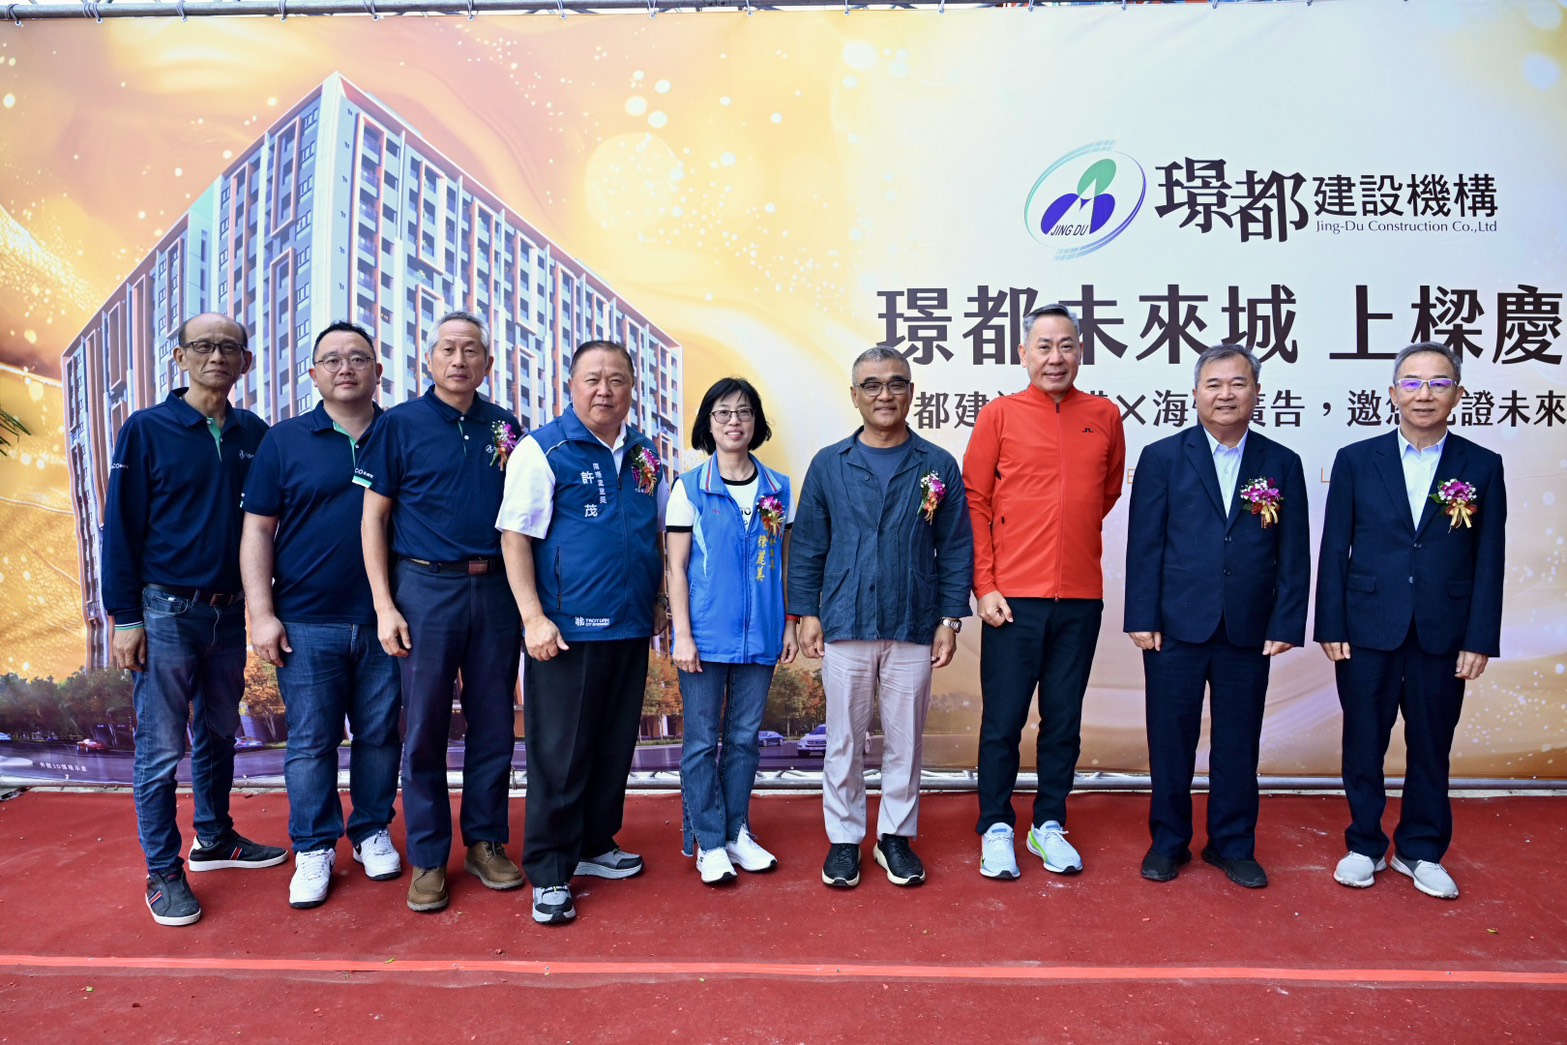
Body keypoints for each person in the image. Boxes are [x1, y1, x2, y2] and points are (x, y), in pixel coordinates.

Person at [102, 312, 286, 927]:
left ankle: (215, 836)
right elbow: (120, 528)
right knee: (160, 749)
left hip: (228, 614)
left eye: (229, 348)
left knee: (218, 734)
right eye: (203, 346)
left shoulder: (255, 434)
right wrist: (125, 617)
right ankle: (162, 872)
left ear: (246, 362)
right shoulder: (146, 428)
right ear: (179, 357)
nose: (217, 356)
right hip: (165, 612)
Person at [1315, 342, 1506, 900]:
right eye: (1413, 382)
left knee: (1431, 744)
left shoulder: (1481, 465)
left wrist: (1479, 638)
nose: (1425, 394)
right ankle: (1364, 844)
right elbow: (1335, 548)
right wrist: (1331, 624)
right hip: (1366, 626)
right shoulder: (1357, 460)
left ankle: (1421, 849)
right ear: (1393, 393)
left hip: (1443, 631)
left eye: (1439, 383)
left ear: (1458, 395)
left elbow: (1489, 558)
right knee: (1364, 739)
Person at [357, 309, 525, 914]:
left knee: (494, 723)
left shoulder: (505, 427)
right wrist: (384, 604)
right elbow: (373, 519)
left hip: (496, 589)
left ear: (487, 362)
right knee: (425, 727)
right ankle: (429, 856)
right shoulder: (398, 425)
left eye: (471, 350)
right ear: (428, 359)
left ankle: (485, 841)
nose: (459, 360)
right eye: (448, 349)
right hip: (425, 589)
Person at [1123, 344, 1309, 889]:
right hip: (1174, 626)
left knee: (1238, 741)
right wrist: (1141, 615)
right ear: (1196, 393)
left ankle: (1232, 844)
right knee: (1170, 738)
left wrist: (1285, 622)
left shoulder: (1281, 462)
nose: (1226, 394)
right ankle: (1168, 842)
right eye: (1214, 384)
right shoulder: (1162, 457)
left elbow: (1294, 551)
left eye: (1238, 383)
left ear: (1257, 392)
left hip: (1247, 628)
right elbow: (1145, 543)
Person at [789, 346, 972, 889]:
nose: (884, 394)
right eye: (871, 385)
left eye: (895, 383)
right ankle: (845, 840)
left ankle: (895, 837)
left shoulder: (937, 464)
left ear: (911, 393)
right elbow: (808, 546)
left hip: (914, 621)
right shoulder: (829, 464)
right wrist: (807, 612)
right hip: (844, 620)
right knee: (843, 740)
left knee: (905, 740)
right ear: (854, 395)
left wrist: (949, 619)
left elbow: (955, 547)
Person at [498, 340, 667, 925]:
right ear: (570, 385)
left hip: (629, 626)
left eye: (616, 379)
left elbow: (651, 535)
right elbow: (515, 537)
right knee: (560, 755)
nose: (604, 390)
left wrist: (657, 601)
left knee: (613, 746)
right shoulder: (543, 448)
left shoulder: (645, 454)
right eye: (592, 378)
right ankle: (549, 869)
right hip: (565, 631)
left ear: (631, 389)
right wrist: (533, 618)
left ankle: (595, 843)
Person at [240, 321, 402, 910]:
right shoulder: (284, 441)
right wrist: (261, 613)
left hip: (389, 619)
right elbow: (258, 530)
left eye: (357, 357)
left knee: (380, 734)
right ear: (313, 373)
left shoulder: (400, 432)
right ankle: (313, 847)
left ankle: (372, 830)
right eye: (331, 359)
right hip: (306, 620)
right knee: (311, 742)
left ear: (377, 370)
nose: (345, 367)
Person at [963, 303, 1125, 880]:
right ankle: (996, 825)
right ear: (1023, 353)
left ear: (1080, 351)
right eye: (1044, 346)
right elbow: (975, 502)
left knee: (1063, 720)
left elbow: (1105, 494)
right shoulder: (999, 415)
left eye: (1066, 346)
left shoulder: (1104, 416)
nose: (1055, 357)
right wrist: (986, 585)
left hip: (1080, 597)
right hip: (1011, 600)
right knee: (1003, 721)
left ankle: (1049, 823)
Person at [665, 377, 797, 886]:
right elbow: (676, 568)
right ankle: (709, 841)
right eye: (722, 413)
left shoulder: (779, 488)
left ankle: (737, 831)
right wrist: (682, 635)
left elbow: (786, 565)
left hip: (761, 634)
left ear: (756, 422)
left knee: (744, 740)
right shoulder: (690, 488)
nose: (734, 421)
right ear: (709, 423)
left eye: (743, 412)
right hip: (705, 636)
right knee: (702, 742)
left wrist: (789, 623)